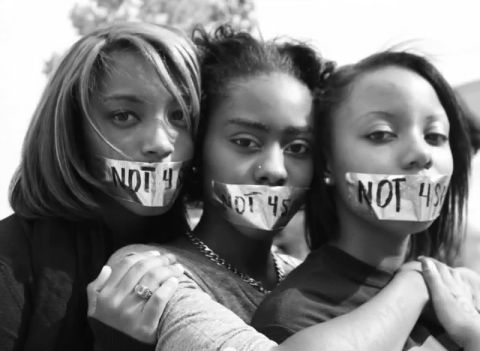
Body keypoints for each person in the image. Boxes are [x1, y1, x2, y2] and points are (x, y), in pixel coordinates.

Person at [90, 28, 480, 351]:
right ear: (199, 146)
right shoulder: (155, 273)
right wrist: (415, 282)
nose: (274, 170)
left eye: (297, 148)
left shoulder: (302, 272)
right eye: (244, 141)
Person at [252, 51, 476, 350]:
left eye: (434, 136)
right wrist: (414, 285)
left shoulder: (464, 293)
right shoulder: (295, 317)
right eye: (382, 134)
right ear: (328, 161)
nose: (421, 154)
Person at [0, 22, 201, 351]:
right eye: (124, 116)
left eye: (180, 116)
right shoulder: (9, 261)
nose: (161, 144)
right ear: (71, 129)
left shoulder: (210, 262)